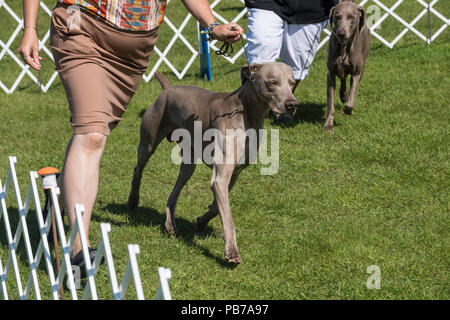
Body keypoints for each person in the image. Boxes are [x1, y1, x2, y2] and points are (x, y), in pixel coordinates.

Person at [18, 0, 244, 272]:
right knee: (92, 134)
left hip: (132, 53)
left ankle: (58, 197)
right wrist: (30, 27)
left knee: (91, 131)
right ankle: (79, 249)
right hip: (79, 23)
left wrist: (213, 24)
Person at [245, 0, 338, 93]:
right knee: (260, 62)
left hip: (311, 9)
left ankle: (279, 103)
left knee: (295, 70)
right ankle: (249, 105)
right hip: (264, 3)